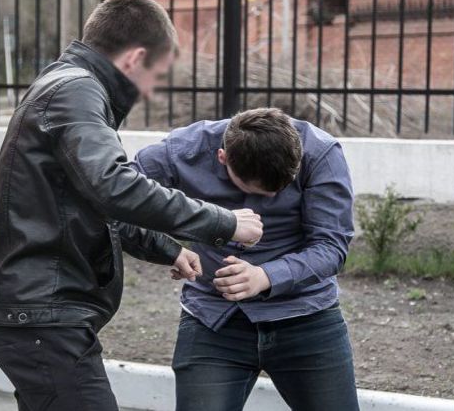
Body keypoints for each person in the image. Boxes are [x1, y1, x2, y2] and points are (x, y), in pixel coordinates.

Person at [0, 0, 263, 411]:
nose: (149, 91)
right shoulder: (76, 91)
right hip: (43, 314)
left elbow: (94, 202)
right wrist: (224, 222)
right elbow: (114, 185)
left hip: (40, 312)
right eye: (155, 75)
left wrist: (166, 248)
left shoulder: (66, 84)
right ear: (136, 58)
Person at [132, 107, 359, 411]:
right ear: (222, 157)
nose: (271, 198)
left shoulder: (321, 152)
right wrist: (166, 249)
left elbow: (331, 246)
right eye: (258, 191)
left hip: (306, 315)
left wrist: (266, 277)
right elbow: (114, 198)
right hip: (214, 319)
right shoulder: (181, 153)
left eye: (281, 189)